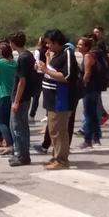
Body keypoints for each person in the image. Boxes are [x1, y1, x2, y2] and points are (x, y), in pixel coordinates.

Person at [38, 30, 78, 170]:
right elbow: (52, 71)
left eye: (49, 43)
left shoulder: (67, 54)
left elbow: (66, 76)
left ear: (56, 42)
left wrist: (46, 70)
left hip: (60, 99)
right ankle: (56, 156)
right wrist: (45, 67)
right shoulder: (57, 55)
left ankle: (62, 160)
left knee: (59, 131)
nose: (47, 46)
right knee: (54, 130)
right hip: (52, 100)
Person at [9, 32, 37, 167]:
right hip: (26, 96)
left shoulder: (22, 58)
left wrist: (16, 101)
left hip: (22, 97)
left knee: (19, 127)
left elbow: (22, 81)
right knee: (22, 126)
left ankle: (22, 156)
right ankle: (22, 154)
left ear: (13, 43)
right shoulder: (29, 55)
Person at [0, 41, 17, 157]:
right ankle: (13, 144)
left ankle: (9, 145)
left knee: (1, 122)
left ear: (1, 52)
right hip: (12, 94)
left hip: (3, 94)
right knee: (9, 121)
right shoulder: (14, 63)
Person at [76, 36, 103, 150]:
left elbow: (87, 74)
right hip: (94, 89)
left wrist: (82, 86)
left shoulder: (87, 56)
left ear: (86, 47)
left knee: (88, 114)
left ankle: (87, 140)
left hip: (90, 89)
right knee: (93, 114)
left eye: (81, 44)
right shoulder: (91, 55)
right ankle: (96, 138)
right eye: (78, 44)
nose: (78, 46)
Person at [92, 25, 109, 126]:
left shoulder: (100, 45)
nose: (95, 34)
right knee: (97, 97)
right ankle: (102, 114)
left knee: (96, 96)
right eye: (94, 32)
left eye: (98, 32)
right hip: (98, 74)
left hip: (99, 74)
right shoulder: (96, 44)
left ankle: (102, 115)